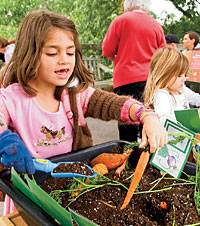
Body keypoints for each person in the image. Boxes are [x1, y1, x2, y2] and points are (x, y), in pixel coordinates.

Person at [0, 10, 167, 215]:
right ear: (29, 53)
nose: (64, 60)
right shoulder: (10, 99)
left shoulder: (75, 96)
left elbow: (114, 104)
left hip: (73, 189)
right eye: (52, 53)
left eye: (70, 53)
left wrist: (146, 115)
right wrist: (4, 138)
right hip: (28, 196)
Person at [102, 0, 166, 143]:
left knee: (126, 118)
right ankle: (146, 155)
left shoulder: (120, 21)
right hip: (149, 79)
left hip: (125, 77)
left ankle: (128, 155)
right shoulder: (155, 24)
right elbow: (162, 55)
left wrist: (118, 59)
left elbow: (107, 50)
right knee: (148, 118)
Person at [143, 47, 200, 124]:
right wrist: (194, 117)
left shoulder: (181, 88)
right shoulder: (162, 95)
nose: (184, 78)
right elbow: (165, 121)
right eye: (179, 75)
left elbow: (195, 98)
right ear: (164, 74)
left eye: (184, 74)